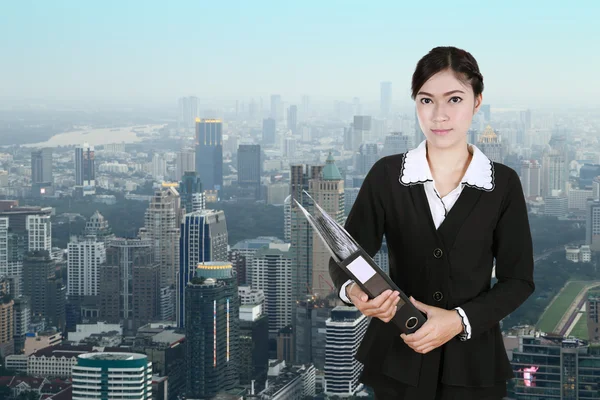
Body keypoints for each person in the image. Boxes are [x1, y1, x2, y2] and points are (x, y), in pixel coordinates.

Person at [328, 46, 535, 400]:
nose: (439, 115)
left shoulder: (503, 183)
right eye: (426, 101)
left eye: (454, 99)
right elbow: (346, 257)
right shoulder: (387, 175)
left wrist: (457, 321)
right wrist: (355, 294)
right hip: (396, 359)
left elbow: (518, 280)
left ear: (477, 102)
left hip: (473, 366)